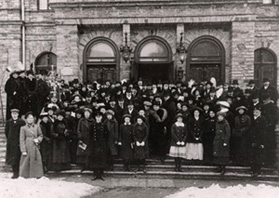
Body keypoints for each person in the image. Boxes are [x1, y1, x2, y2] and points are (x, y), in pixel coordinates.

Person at [19, 112, 44, 178]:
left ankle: (37, 175)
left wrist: (38, 140)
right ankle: (25, 175)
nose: (30, 119)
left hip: (35, 146)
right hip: (27, 145)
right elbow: (22, 139)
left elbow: (41, 135)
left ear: (33, 119)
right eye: (28, 118)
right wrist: (23, 150)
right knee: (25, 161)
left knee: (36, 160)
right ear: (26, 119)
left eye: (31, 118)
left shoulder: (37, 127)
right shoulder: (23, 128)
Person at [5, 108, 25, 178]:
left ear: (18, 114)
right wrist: (10, 140)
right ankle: (15, 173)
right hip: (11, 143)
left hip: (18, 143)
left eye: (15, 114)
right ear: (11, 114)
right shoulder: (8, 122)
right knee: (12, 159)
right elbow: (6, 132)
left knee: (18, 158)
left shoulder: (21, 122)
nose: (14, 115)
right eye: (13, 114)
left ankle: (20, 172)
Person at [249, 105, 267, 177]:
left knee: (258, 156)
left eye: (257, 112)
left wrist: (262, 142)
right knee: (253, 155)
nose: (255, 113)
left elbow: (263, 132)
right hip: (253, 140)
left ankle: (258, 170)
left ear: (260, 112)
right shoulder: (253, 119)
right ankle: (253, 170)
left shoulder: (262, 119)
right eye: (254, 112)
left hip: (259, 140)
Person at [90, 111, 108, 180]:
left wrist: (104, 143)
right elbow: (90, 134)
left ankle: (101, 174)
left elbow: (107, 135)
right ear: (95, 118)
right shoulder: (92, 125)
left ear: (101, 118)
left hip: (101, 144)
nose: (98, 119)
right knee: (95, 159)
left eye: (99, 117)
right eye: (97, 117)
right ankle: (95, 174)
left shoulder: (104, 125)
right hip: (94, 144)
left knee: (101, 159)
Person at [213, 111, 231, 175]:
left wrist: (226, 141)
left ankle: (223, 168)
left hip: (223, 141)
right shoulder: (217, 123)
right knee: (218, 154)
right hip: (218, 140)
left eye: (221, 117)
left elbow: (228, 133)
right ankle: (219, 167)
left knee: (223, 155)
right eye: (219, 117)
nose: (220, 118)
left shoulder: (226, 123)